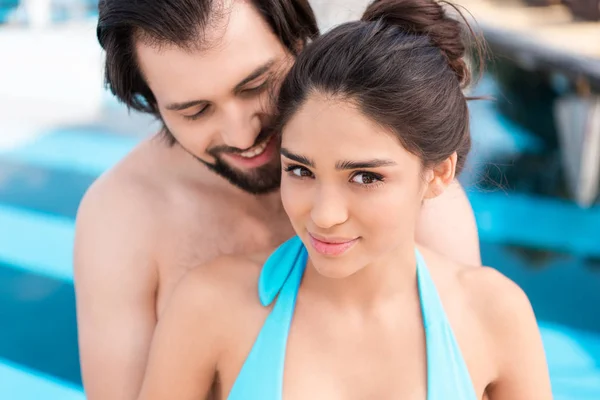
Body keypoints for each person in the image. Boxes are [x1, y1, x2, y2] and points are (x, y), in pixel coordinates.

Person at [135, 0, 552, 398]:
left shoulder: (495, 316)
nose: (324, 215)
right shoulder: (209, 306)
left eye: (365, 177)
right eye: (300, 170)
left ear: (438, 174)